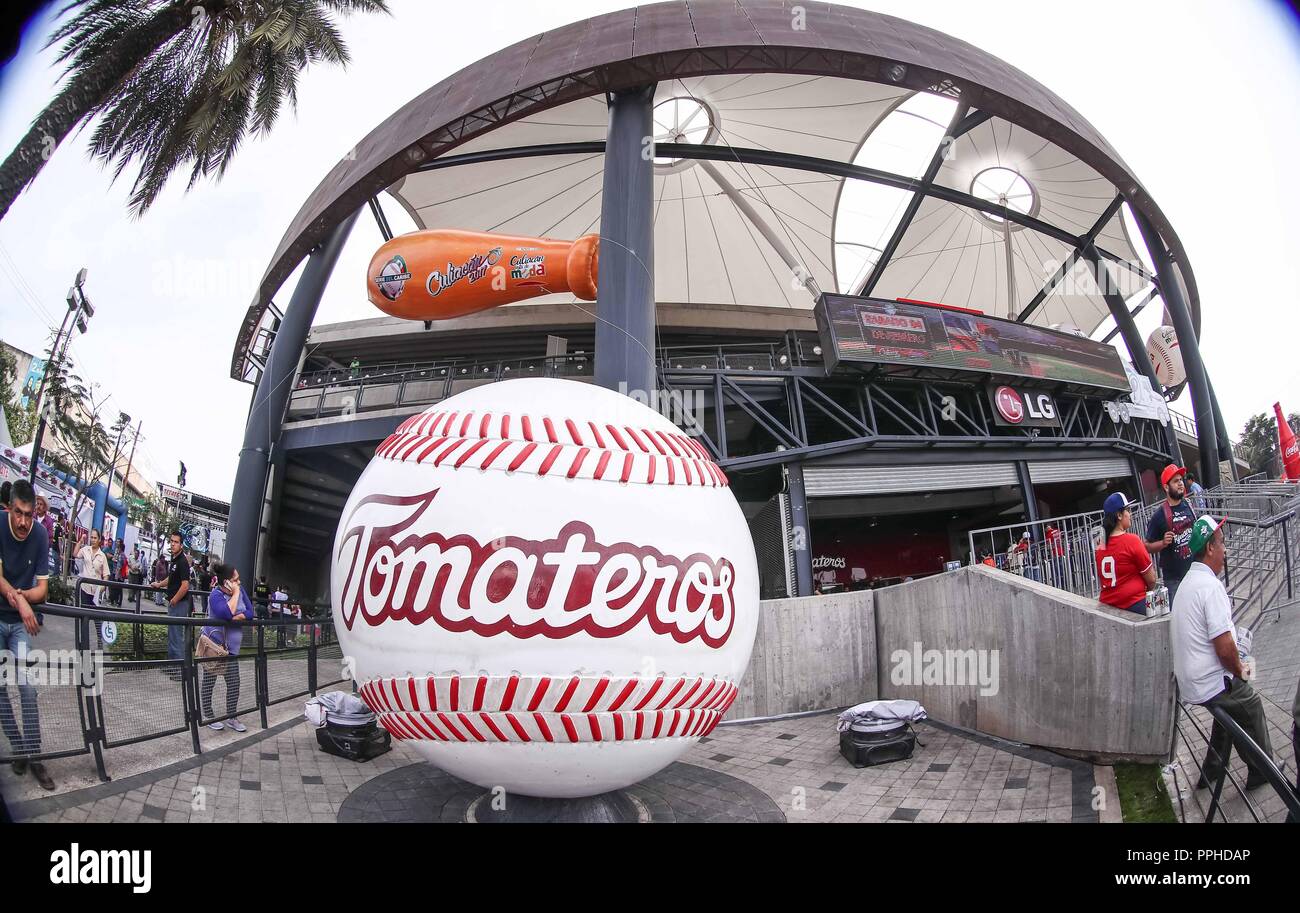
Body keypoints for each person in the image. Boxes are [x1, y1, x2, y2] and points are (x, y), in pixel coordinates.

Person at [1170, 516, 1274, 791]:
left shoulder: (1187, 584)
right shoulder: (1210, 587)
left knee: (1230, 706)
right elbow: (1225, 650)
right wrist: (1242, 670)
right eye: (1223, 543)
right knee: (1249, 701)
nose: (1226, 550)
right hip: (1208, 682)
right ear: (1210, 549)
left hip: (1192, 683)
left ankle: (1212, 770)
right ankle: (1262, 771)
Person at [0, 480, 55, 790]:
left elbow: (44, 589)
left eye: (28, 515)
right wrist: (21, 600)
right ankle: (19, 747)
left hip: (20, 625)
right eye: (17, 513)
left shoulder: (40, 534)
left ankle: (33, 756)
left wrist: (22, 598)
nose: (22, 522)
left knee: (28, 689)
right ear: (9, 508)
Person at [200, 563, 253, 733]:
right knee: (209, 681)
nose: (239, 582)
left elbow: (251, 612)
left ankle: (232, 716)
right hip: (214, 647)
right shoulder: (216, 595)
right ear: (226, 582)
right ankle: (208, 715)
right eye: (235, 580)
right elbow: (226, 614)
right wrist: (236, 594)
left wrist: (238, 616)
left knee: (234, 683)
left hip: (231, 650)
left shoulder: (241, 590)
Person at [1145, 463, 1198, 607]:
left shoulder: (1189, 505)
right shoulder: (1159, 515)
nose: (1181, 483)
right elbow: (1147, 546)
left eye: (1181, 479)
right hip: (1175, 580)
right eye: (1176, 481)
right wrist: (1162, 543)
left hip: (1195, 574)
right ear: (1166, 487)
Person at [1094, 493, 1156, 614]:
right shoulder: (1132, 540)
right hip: (1134, 604)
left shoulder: (1099, 543)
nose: (1130, 513)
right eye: (1128, 510)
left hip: (1107, 606)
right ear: (1119, 515)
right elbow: (1152, 579)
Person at [152, 531, 193, 672]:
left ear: (181, 545)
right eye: (172, 541)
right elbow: (171, 578)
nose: (173, 544)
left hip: (179, 604)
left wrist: (174, 599)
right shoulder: (175, 560)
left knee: (176, 637)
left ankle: (178, 670)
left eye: (176, 542)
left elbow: (185, 585)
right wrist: (159, 584)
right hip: (175, 603)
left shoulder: (182, 562)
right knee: (172, 636)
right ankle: (172, 666)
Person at [75, 529, 111, 648]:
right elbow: (75, 554)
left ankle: (100, 641)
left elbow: (106, 574)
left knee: (96, 618)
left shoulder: (102, 556)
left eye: (95, 538)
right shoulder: (85, 550)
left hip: (96, 591)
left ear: (99, 540)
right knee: (83, 616)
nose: (93, 540)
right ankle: (84, 643)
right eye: (92, 537)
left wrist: (102, 587)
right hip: (84, 588)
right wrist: (80, 541)